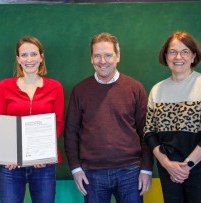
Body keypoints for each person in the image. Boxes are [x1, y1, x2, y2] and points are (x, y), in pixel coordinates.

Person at [64, 32, 153, 203]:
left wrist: (147, 169)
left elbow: (147, 132)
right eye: (97, 56)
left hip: (131, 172)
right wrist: (75, 169)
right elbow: (71, 132)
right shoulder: (80, 90)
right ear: (91, 59)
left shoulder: (135, 88)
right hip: (91, 174)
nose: (102, 61)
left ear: (118, 56)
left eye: (108, 55)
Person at [144, 31, 201, 203]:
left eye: (185, 51)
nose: (178, 56)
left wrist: (187, 166)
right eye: (173, 51)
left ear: (193, 56)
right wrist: (166, 164)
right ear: (165, 56)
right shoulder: (157, 90)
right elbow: (149, 132)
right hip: (169, 172)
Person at [0, 36, 64, 203]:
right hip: (11, 164)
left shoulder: (55, 87)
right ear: (18, 59)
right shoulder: (4, 86)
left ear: (41, 57)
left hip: (43, 165)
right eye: (24, 55)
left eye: (33, 54)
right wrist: (7, 155)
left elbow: (58, 123)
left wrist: (42, 152)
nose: (29, 59)